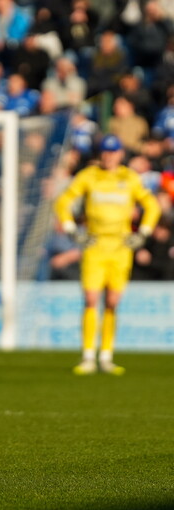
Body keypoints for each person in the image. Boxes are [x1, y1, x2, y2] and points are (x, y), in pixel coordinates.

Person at [53, 135, 160, 376]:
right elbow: (63, 201)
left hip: (121, 247)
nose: (109, 156)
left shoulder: (129, 178)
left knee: (112, 302)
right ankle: (88, 356)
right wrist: (72, 229)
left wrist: (143, 232)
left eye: (113, 152)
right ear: (100, 154)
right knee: (91, 299)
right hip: (95, 245)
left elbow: (152, 205)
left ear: (120, 154)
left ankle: (107, 356)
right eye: (105, 151)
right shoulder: (89, 176)